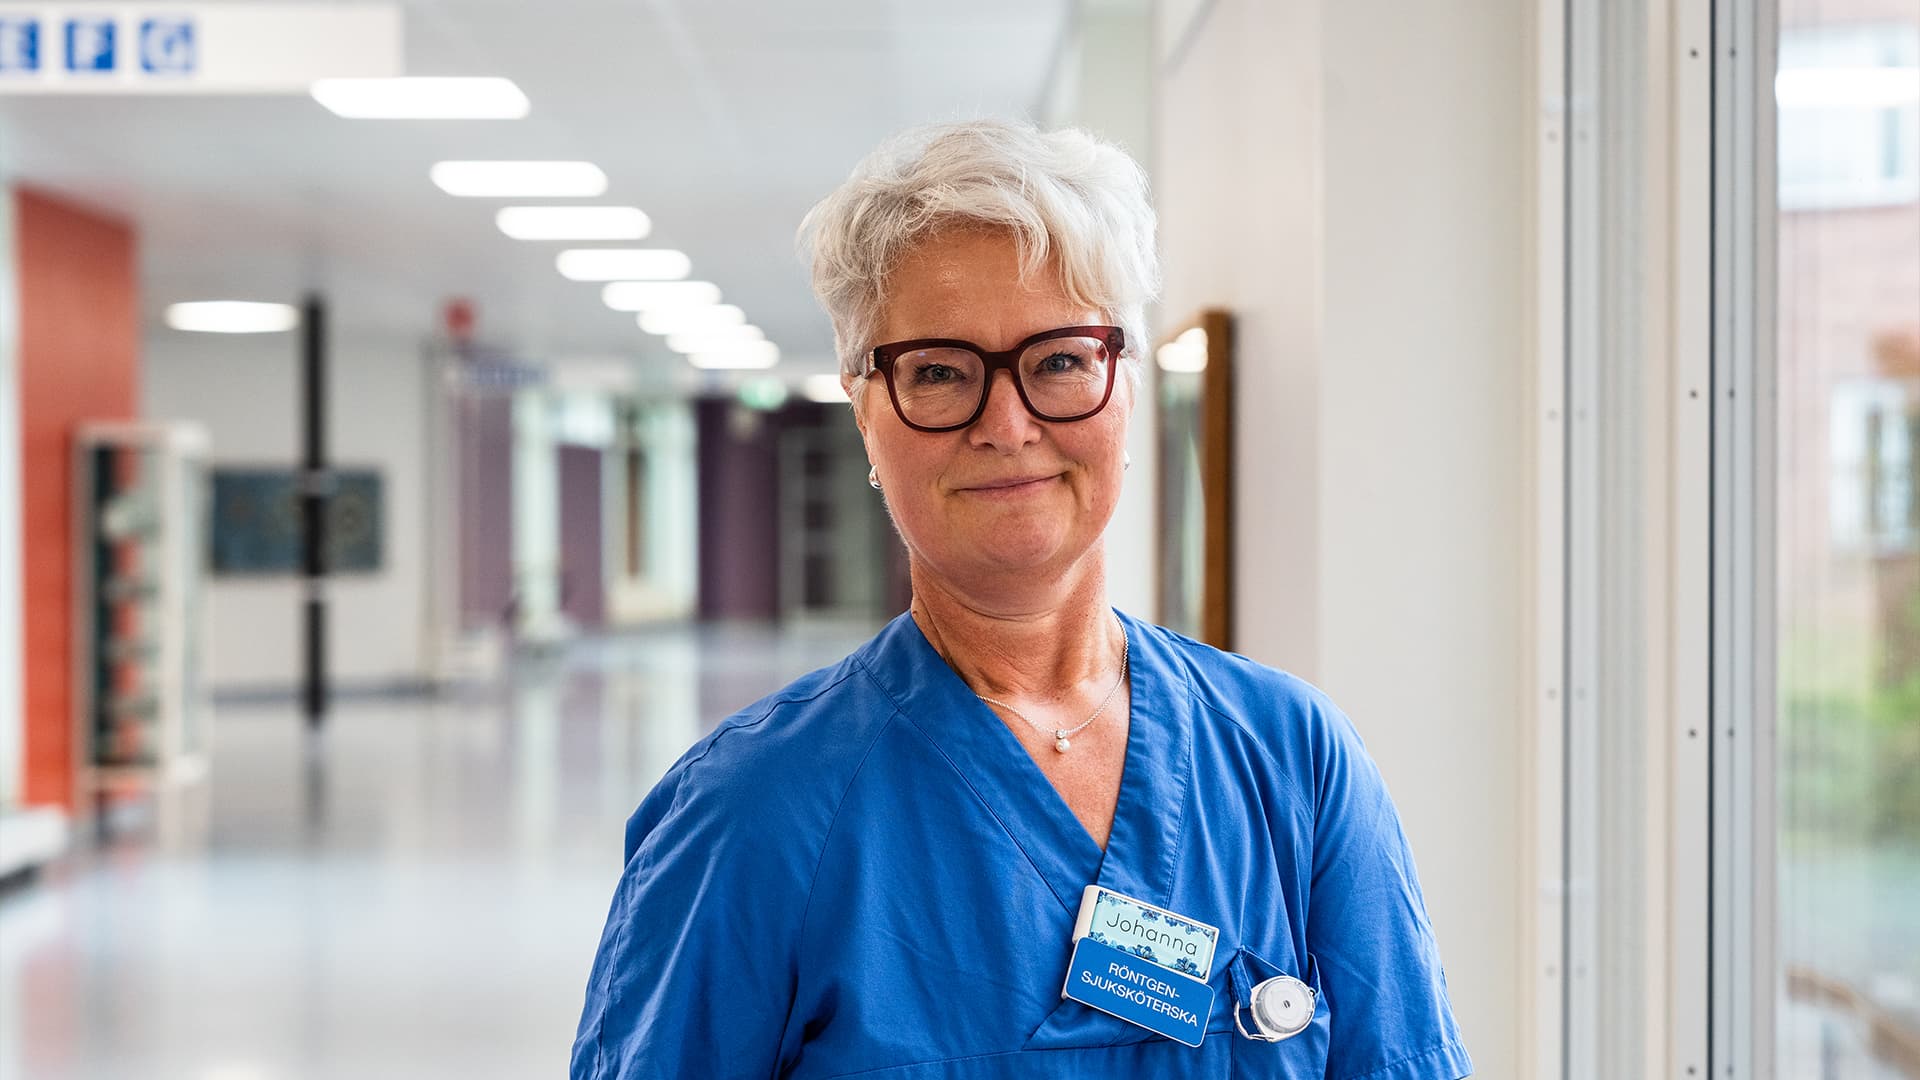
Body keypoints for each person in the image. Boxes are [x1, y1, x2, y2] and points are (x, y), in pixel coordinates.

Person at [571, 119, 1472, 1079]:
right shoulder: (752, 813)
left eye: (1059, 361)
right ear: (866, 413)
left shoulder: (1291, 760)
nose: (1007, 425)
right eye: (940, 372)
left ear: (1126, 388)